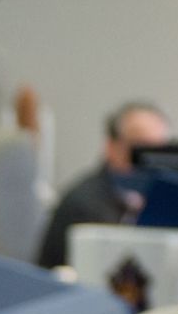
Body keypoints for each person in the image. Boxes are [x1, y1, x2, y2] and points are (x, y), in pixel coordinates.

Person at [36, 101, 171, 269]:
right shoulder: (82, 205)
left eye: (161, 151)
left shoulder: (164, 201)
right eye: (140, 147)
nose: (150, 160)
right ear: (111, 146)